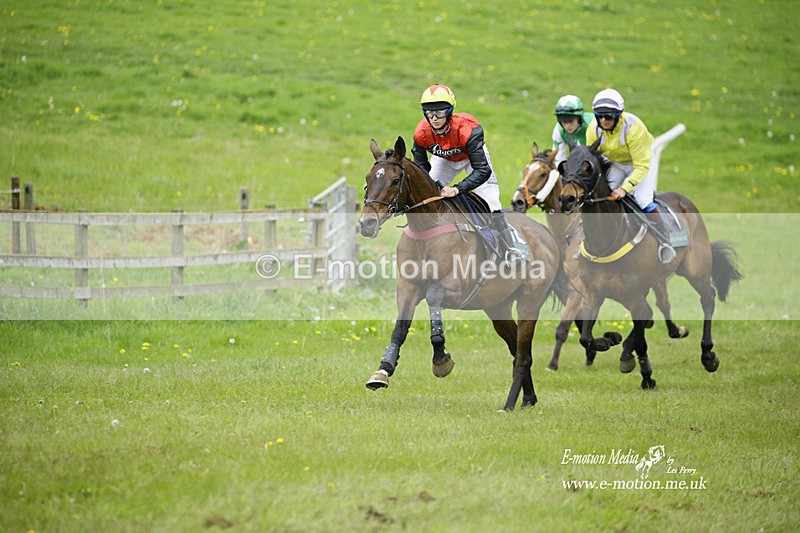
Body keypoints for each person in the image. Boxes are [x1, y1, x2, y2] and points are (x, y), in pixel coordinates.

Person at [411, 84, 527, 263]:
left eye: (440, 112)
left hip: (472, 160)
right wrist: (432, 187)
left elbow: (483, 170)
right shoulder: (420, 133)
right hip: (445, 160)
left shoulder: (469, 129)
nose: (434, 118)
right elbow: (421, 166)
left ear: (450, 111)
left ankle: (512, 246)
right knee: (428, 195)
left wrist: (457, 189)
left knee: (491, 200)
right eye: (429, 112)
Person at [586, 88, 676, 263]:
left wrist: (625, 188)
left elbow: (642, 165)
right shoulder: (593, 129)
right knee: (603, 196)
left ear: (618, 115)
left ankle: (665, 240)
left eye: (609, 116)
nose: (604, 120)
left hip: (641, 163)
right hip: (616, 163)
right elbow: (592, 158)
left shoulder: (633, 127)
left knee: (642, 200)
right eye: (600, 116)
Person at [551, 94, 595, 167]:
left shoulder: (593, 124)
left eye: (571, 121)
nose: (567, 126)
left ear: (579, 118)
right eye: (564, 122)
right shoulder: (558, 129)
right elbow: (558, 159)